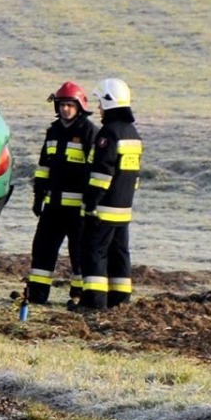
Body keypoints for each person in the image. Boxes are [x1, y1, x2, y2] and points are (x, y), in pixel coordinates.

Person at [27, 82, 101, 308]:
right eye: (62, 105)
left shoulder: (89, 131)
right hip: (52, 206)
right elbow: (43, 168)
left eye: (70, 105)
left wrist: (90, 203)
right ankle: (38, 294)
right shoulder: (53, 131)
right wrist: (38, 197)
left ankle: (78, 296)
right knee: (42, 249)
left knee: (78, 254)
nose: (65, 109)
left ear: (79, 107)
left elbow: (94, 170)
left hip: (77, 208)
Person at [77, 78, 142, 312]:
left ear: (109, 102)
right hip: (123, 209)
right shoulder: (132, 133)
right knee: (120, 254)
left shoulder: (109, 133)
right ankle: (120, 301)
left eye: (100, 103)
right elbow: (133, 175)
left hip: (104, 208)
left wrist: (91, 202)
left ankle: (94, 302)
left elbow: (102, 173)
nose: (98, 109)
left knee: (93, 252)